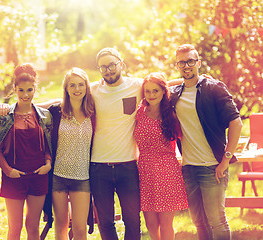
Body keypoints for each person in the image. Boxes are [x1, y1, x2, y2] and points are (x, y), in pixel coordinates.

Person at [170, 44, 243, 240]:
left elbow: (236, 123)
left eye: (191, 61)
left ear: (199, 63)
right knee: (198, 222)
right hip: (189, 169)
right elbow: (154, 85)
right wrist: (186, 77)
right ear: (177, 65)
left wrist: (226, 160)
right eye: (182, 63)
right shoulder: (175, 93)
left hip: (213, 168)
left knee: (217, 221)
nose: (186, 66)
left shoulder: (214, 88)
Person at [0, 63, 52, 240]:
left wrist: (48, 164)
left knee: (32, 226)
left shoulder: (44, 116)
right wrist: (8, 170)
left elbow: (49, 145)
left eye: (30, 90)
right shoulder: (4, 116)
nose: (26, 95)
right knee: (15, 227)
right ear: (15, 89)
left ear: (35, 90)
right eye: (21, 90)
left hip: (39, 176)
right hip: (14, 177)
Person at [89, 47, 142, 240]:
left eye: (112, 65)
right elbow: (64, 97)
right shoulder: (93, 89)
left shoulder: (137, 85)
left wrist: (200, 79)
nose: (108, 70)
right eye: (103, 67)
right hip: (98, 168)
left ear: (121, 63)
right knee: (105, 222)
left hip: (128, 166)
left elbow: (164, 85)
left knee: (133, 220)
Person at [134, 72, 188, 240]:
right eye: (148, 91)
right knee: (150, 223)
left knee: (165, 224)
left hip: (167, 172)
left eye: (156, 91)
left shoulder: (171, 114)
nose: (151, 95)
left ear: (164, 91)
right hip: (145, 171)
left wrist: (200, 78)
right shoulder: (139, 112)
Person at [48, 67, 95, 240]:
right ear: (66, 89)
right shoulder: (56, 112)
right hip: (58, 177)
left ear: (86, 87)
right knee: (61, 227)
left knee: (80, 229)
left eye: (81, 85)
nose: (77, 89)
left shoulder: (93, 112)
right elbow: (31, 108)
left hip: (82, 178)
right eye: (72, 85)